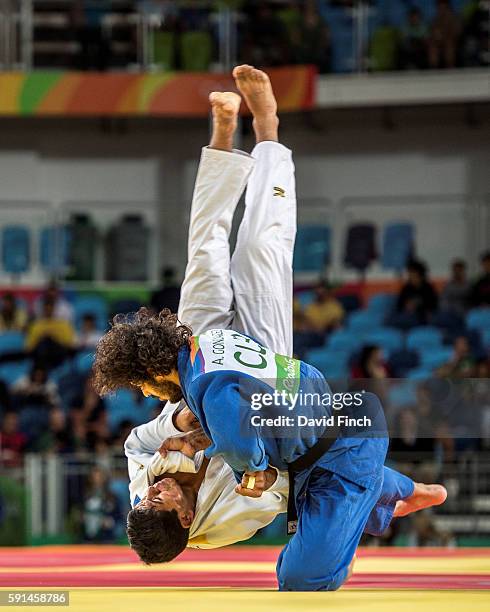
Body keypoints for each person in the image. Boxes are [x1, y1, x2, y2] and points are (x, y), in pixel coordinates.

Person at [94, 66, 447, 591]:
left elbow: (135, 444)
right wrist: (213, 439)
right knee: (262, 252)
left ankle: (220, 139)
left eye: (148, 495)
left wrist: (175, 428)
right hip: (267, 383)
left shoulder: (145, 485)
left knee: (206, 257)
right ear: (187, 520)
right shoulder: (224, 524)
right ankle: (268, 132)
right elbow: (283, 472)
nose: (154, 491)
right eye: (162, 501)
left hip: (192, 372)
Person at [395, 259, 439, 324]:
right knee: (394, 319)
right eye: (409, 273)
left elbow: (433, 306)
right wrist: (406, 306)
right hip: (406, 316)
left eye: (412, 273)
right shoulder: (406, 288)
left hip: (422, 317)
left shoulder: (428, 288)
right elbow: (399, 305)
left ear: (420, 274)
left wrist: (417, 306)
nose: (410, 276)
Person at [428, 0, 462, 69]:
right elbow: (433, 32)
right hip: (439, 42)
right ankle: (434, 68)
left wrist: (446, 36)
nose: (441, 10)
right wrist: (436, 36)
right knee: (432, 47)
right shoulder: (435, 19)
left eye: (443, 7)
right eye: (439, 8)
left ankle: (450, 67)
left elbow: (457, 32)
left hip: (452, 41)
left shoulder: (454, 18)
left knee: (449, 45)